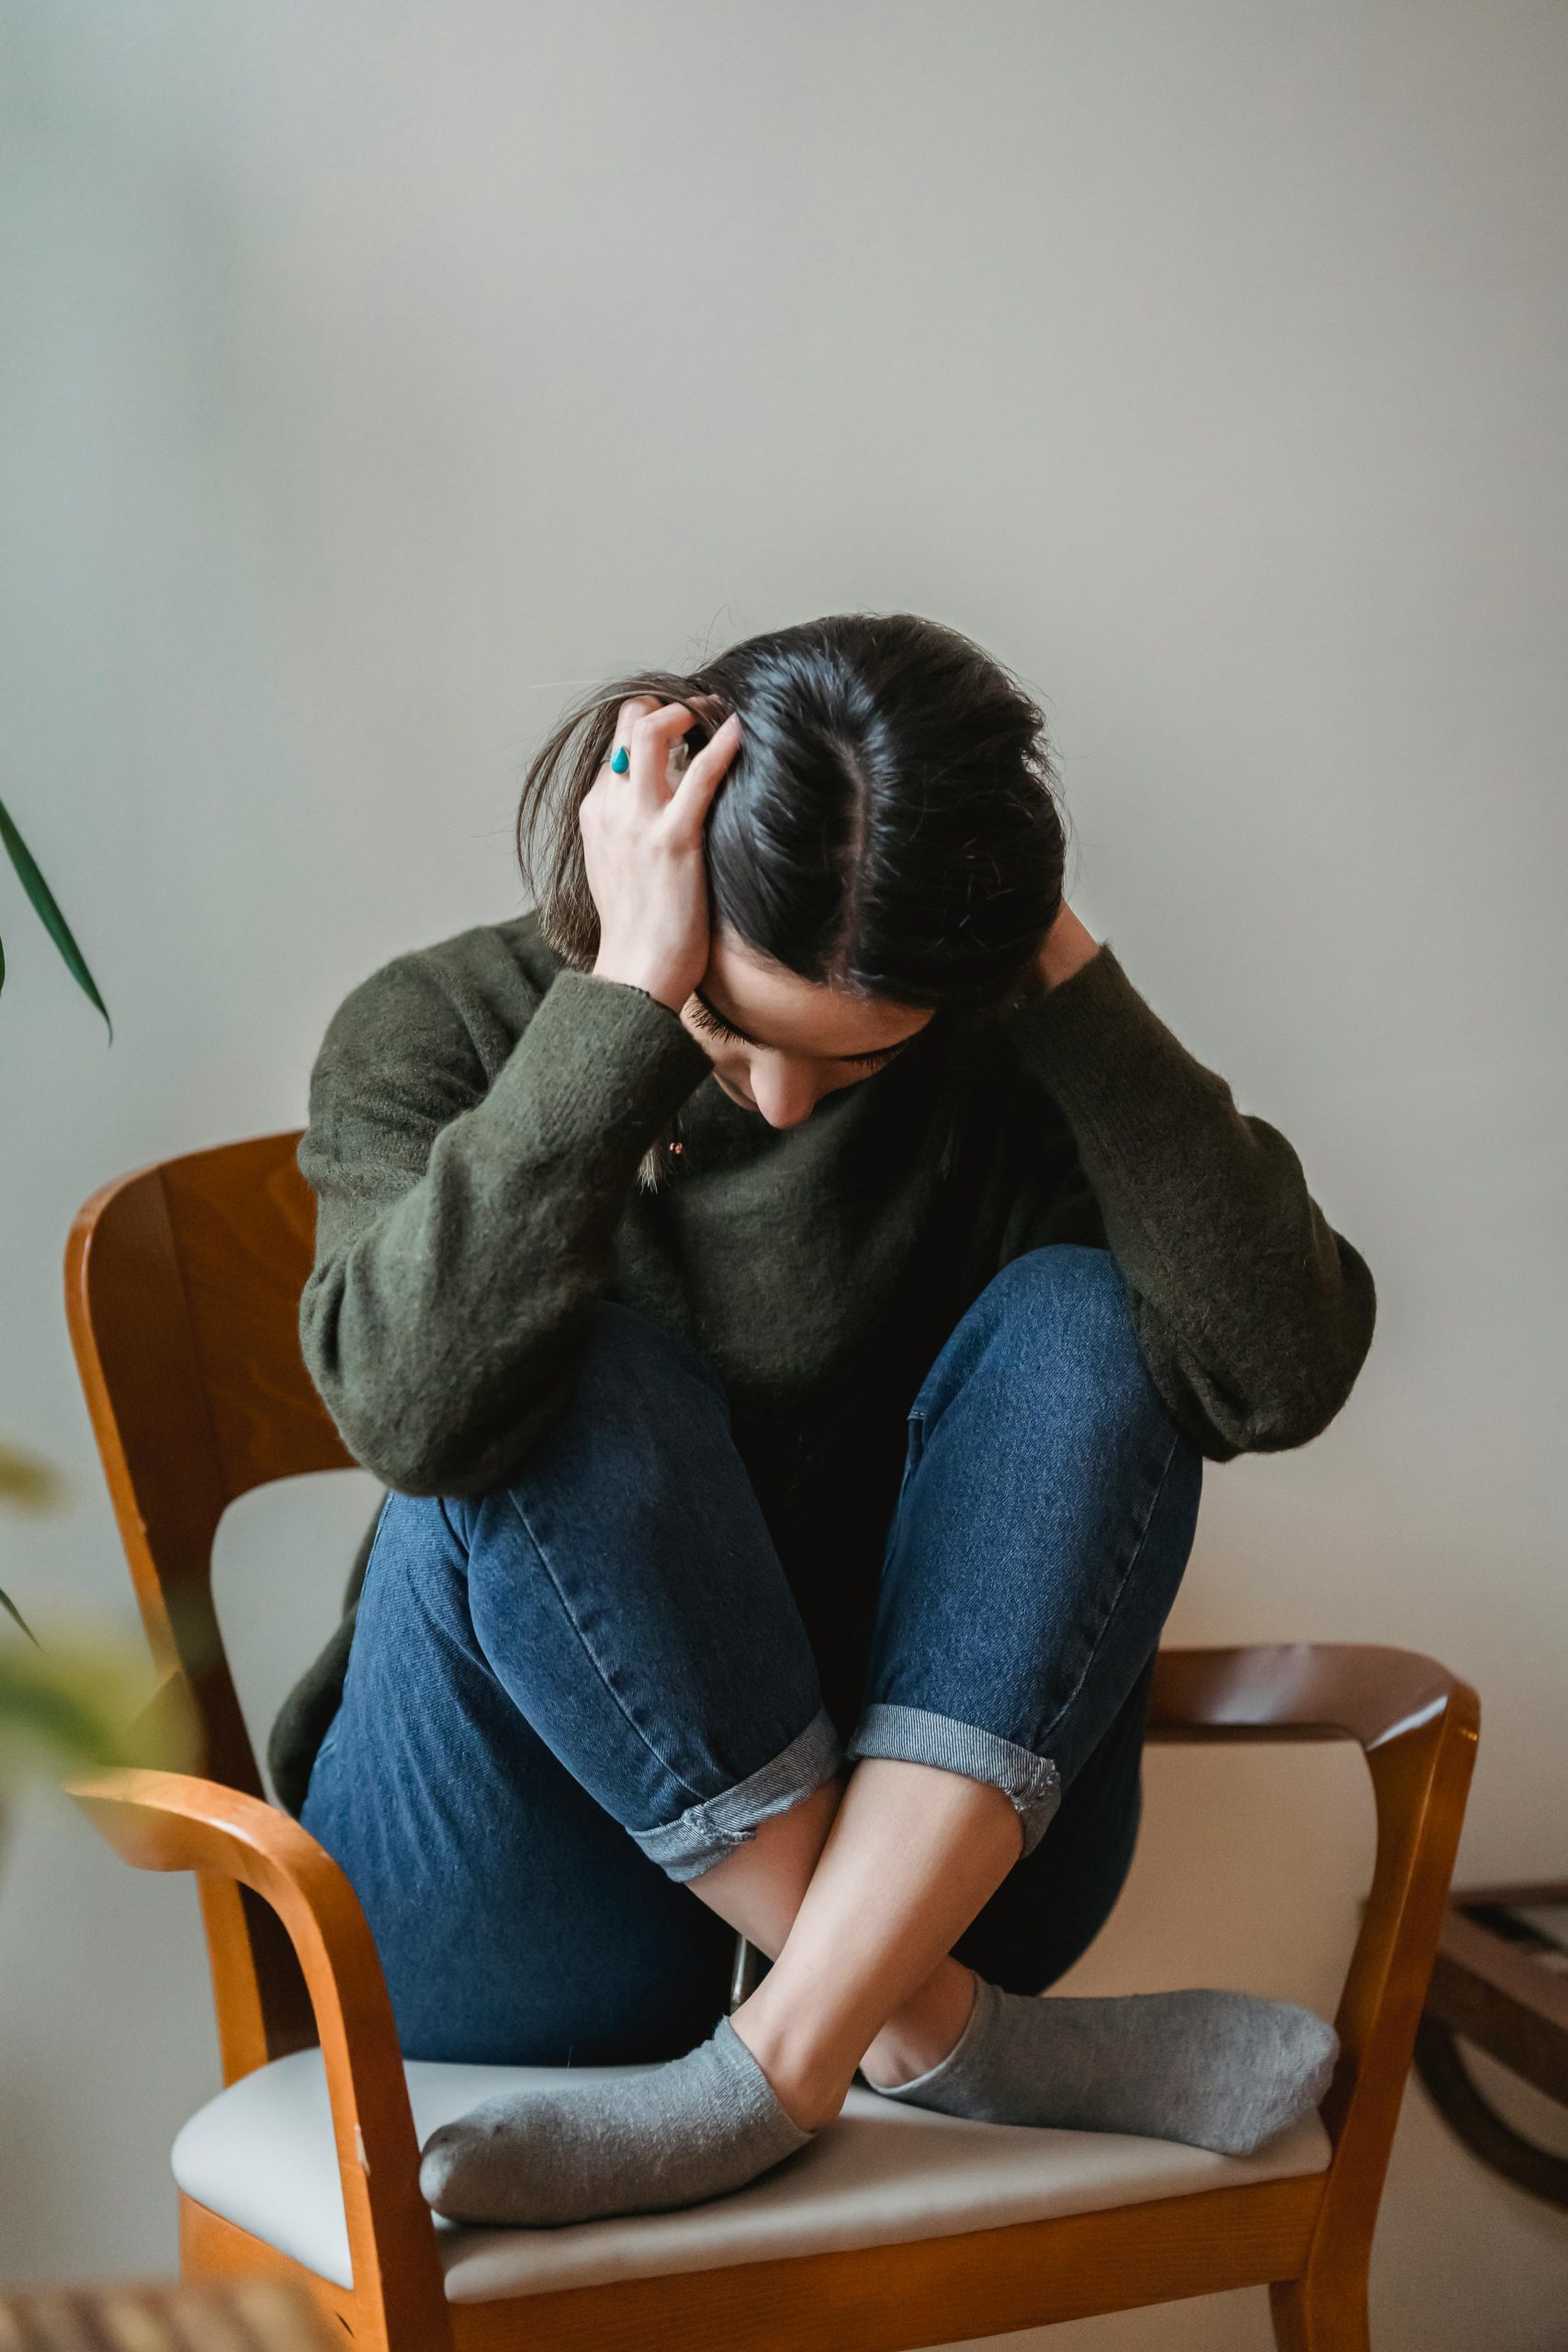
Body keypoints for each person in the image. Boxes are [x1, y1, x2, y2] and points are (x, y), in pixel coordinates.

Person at [274, 611, 1375, 2231]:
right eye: (737, 1026)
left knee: (1092, 1323)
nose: (784, 1101)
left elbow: (1274, 1370)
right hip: (505, 1890)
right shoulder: (438, 1029)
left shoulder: (998, 1055)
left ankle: (780, 2057)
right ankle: (930, 2031)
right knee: (558, 1370)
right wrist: (625, 1010)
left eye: (852, 1065)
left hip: (938, 1843)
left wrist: (1060, 974)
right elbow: (412, 1411)